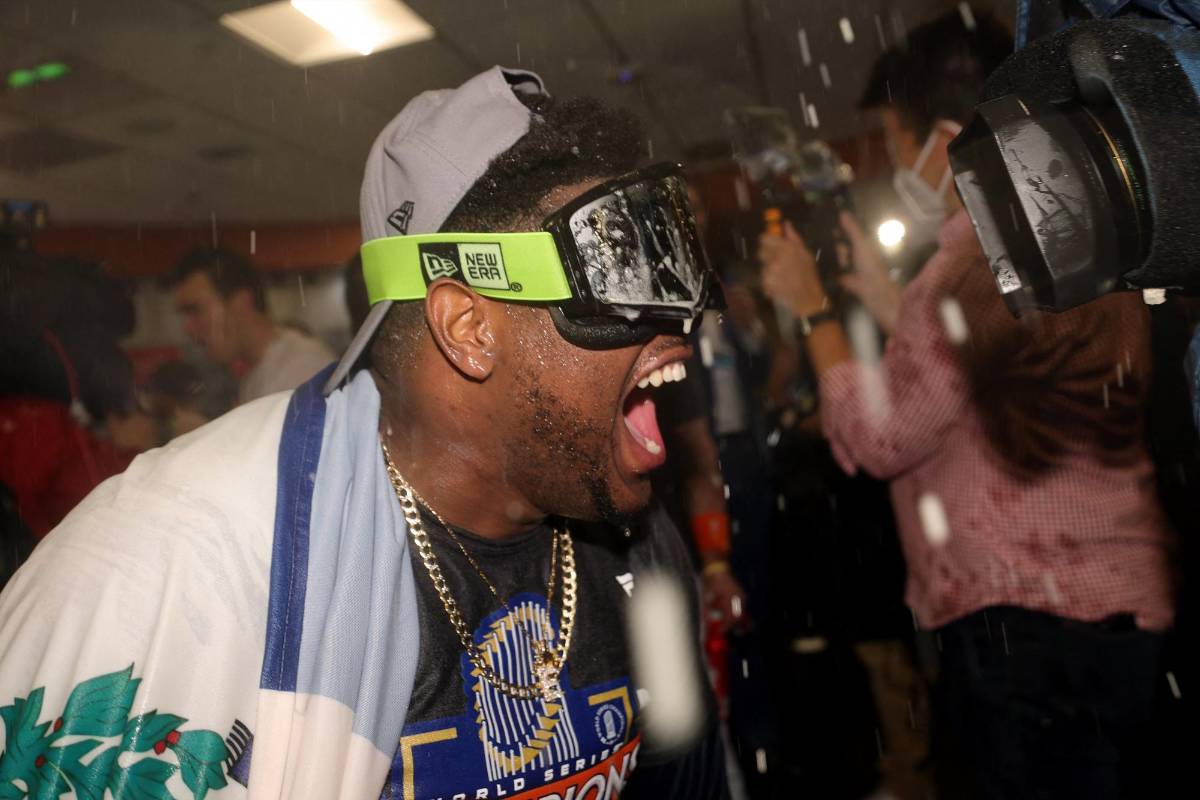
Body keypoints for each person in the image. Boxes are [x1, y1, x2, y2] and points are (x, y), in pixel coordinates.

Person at [0, 66, 728, 800]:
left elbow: (683, 769)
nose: (679, 329)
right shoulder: (175, 567)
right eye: (613, 268)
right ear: (470, 328)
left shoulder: (637, 534)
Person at [760, 10, 1176, 800]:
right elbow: (997, 382)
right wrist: (895, 308)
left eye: (896, 147)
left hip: (1021, 623)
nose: (897, 169)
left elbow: (881, 439)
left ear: (948, 143)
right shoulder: (1077, 233)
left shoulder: (960, 267)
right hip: (1123, 608)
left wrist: (813, 312)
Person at [169, 246, 334, 404]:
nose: (187, 328)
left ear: (241, 303)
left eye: (195, 310)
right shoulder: (256, 375)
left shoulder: (301, 366)